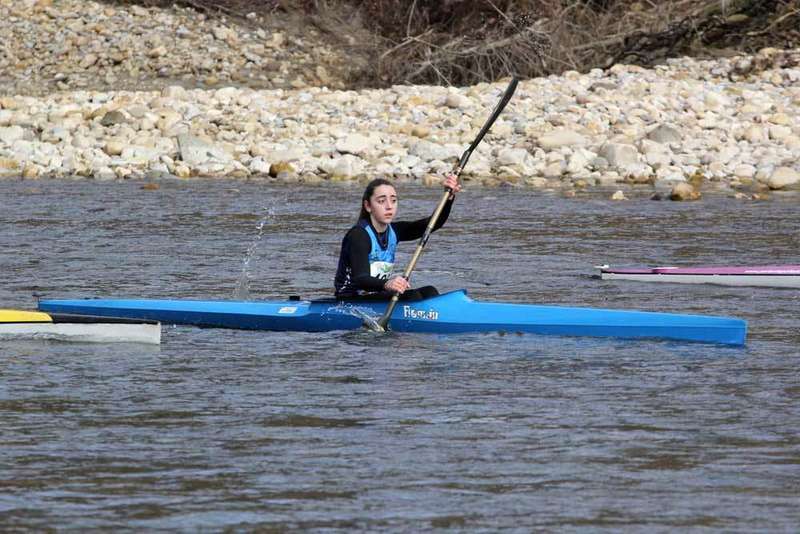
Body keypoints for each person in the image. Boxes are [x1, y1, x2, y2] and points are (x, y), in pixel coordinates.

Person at [334, 174, 462, 300]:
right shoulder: (358, 235)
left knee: (430, 292)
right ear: (368, 206)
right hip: (350, 300)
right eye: (381, 201)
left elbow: (433, 224)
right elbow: (360, 278)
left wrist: (448, 198)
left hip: (375, 295)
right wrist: (387, 283)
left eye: (393, 200)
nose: (389, 206)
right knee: (412, 296)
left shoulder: (394, 231)